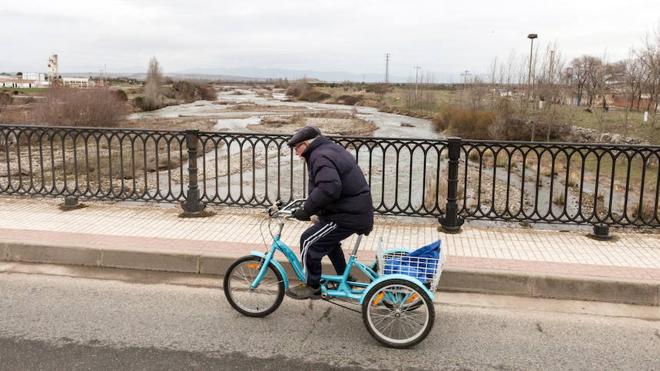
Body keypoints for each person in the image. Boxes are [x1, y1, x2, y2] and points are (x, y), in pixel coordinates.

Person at [285, 125, 374, 300]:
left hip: (349, 214)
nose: (297, 153)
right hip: (353, 210)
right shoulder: (328, 149)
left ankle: (313, 287)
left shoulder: (319, 156)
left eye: (297, 148)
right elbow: (327, 186)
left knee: (309, 241)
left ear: (307, 143)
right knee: (327, 240)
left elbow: (330, 187)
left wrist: (307, 210)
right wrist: (307, 205)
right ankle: (345, 277)